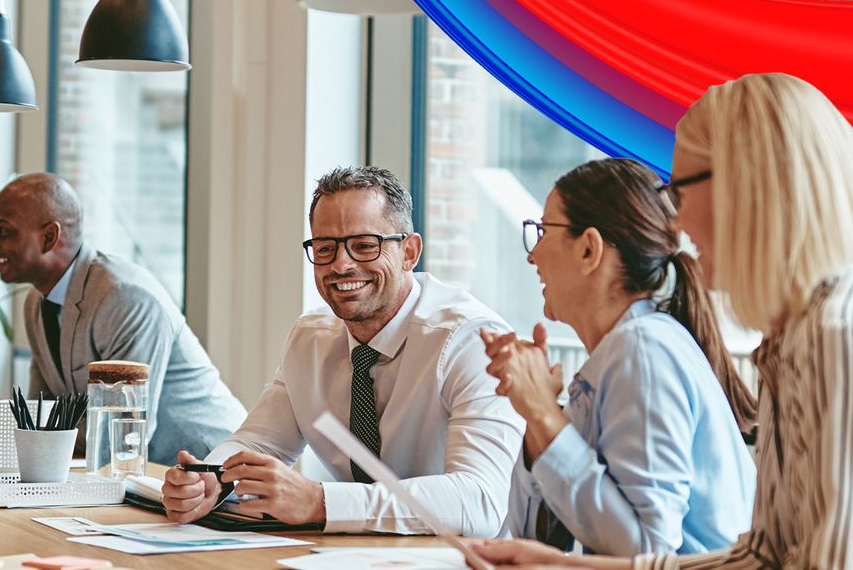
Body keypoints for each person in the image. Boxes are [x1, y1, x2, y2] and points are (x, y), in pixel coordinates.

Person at [473, 72, 853, 568]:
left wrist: (546, 418)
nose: (675, 223)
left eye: (681, 193)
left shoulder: (829, 341)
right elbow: (761, 557)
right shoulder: (788, 345)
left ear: (746, 185)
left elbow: (651, 542)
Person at [161, 166, 524, 534]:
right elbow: (260, 441)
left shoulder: (472, 341)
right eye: (325, 248)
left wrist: (320, 502)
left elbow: (480, 502)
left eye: (365, 245)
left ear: (409, 252)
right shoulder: (311, 338)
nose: (342, 264)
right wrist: (212, 480)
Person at [482, 158, 755, 556]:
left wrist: (544, 413)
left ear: (589, 248)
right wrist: (536, 415)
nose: (532, 256)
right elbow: (535, 538)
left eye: (543, 231)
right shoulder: (619, 354)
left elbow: (647, 551)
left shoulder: (644, 353)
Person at [0, 173, 245, 465]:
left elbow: (122, 435)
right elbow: (36, 420)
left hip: (213, 471)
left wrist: (35, 437)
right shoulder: (36, 303)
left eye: (3, 231)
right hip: (139, 478)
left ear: (49, 237)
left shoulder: (124, 298)